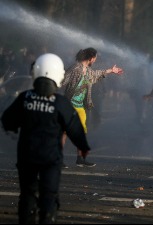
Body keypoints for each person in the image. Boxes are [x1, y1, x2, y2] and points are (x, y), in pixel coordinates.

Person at [1, 53, 91, 224]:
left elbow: (7, 120)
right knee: (49, 196)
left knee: (27, 194)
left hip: (27, 156)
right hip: (50, 158)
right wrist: (83, 147)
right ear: (58, 75)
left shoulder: (25, 97)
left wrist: (12, 130)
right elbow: (75, 129)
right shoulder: (60, 102)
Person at [61, 47, 123, 167]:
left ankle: (80, 159)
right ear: (91, 58)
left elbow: (97, 74)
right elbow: (63, 80)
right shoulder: (75, 68)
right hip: (69, 105)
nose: (95, 60)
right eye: (95, 58)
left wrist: (111, 70)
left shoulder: (88, 70)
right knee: (64, 133)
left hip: (80, 107)